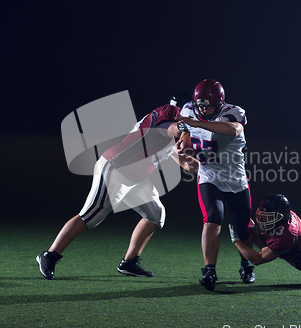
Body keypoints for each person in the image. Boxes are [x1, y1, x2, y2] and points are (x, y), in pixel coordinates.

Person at [36, 92, 198, 280]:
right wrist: (192, 127)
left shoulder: (174, 136)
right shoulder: (167, 123)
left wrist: (211, 169)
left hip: (136, 178)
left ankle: (129, 262)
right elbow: (174, 130)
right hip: (116, 169)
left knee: (156, 215)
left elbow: (187, 163)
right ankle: (50, 255)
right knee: (91, 216)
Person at [175, 79, 254, 291]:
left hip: (235, 178)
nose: (204, 109)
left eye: (209, 105)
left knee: (242, 227)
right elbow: (182, 131)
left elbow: (234, 130)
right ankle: (209, 269)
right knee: (212, 219)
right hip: (209, 175)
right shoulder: (189, 110)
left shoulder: (234, 112)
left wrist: (196, 123)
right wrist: (183, 137)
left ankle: (246, 265)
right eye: (201, 105)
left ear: (220, 103)